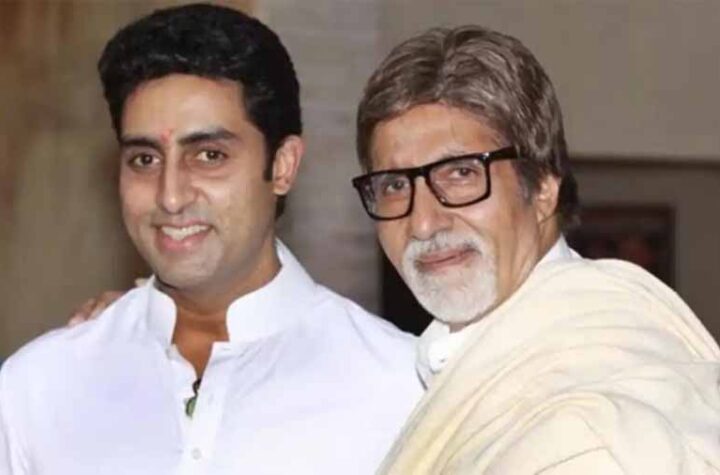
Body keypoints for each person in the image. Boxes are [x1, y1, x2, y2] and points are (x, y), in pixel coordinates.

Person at [0, 4, 422, 474]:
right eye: (144, 159)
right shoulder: (40, 387)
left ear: (282, 166)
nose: (171, 196)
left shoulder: (399, 388)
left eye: (209, 155)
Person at [351, 25, 720, 473]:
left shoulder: (593, 428)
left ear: (543, 189)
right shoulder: (467, 365)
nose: (424, 224)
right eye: (394, 185)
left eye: (462, 174)